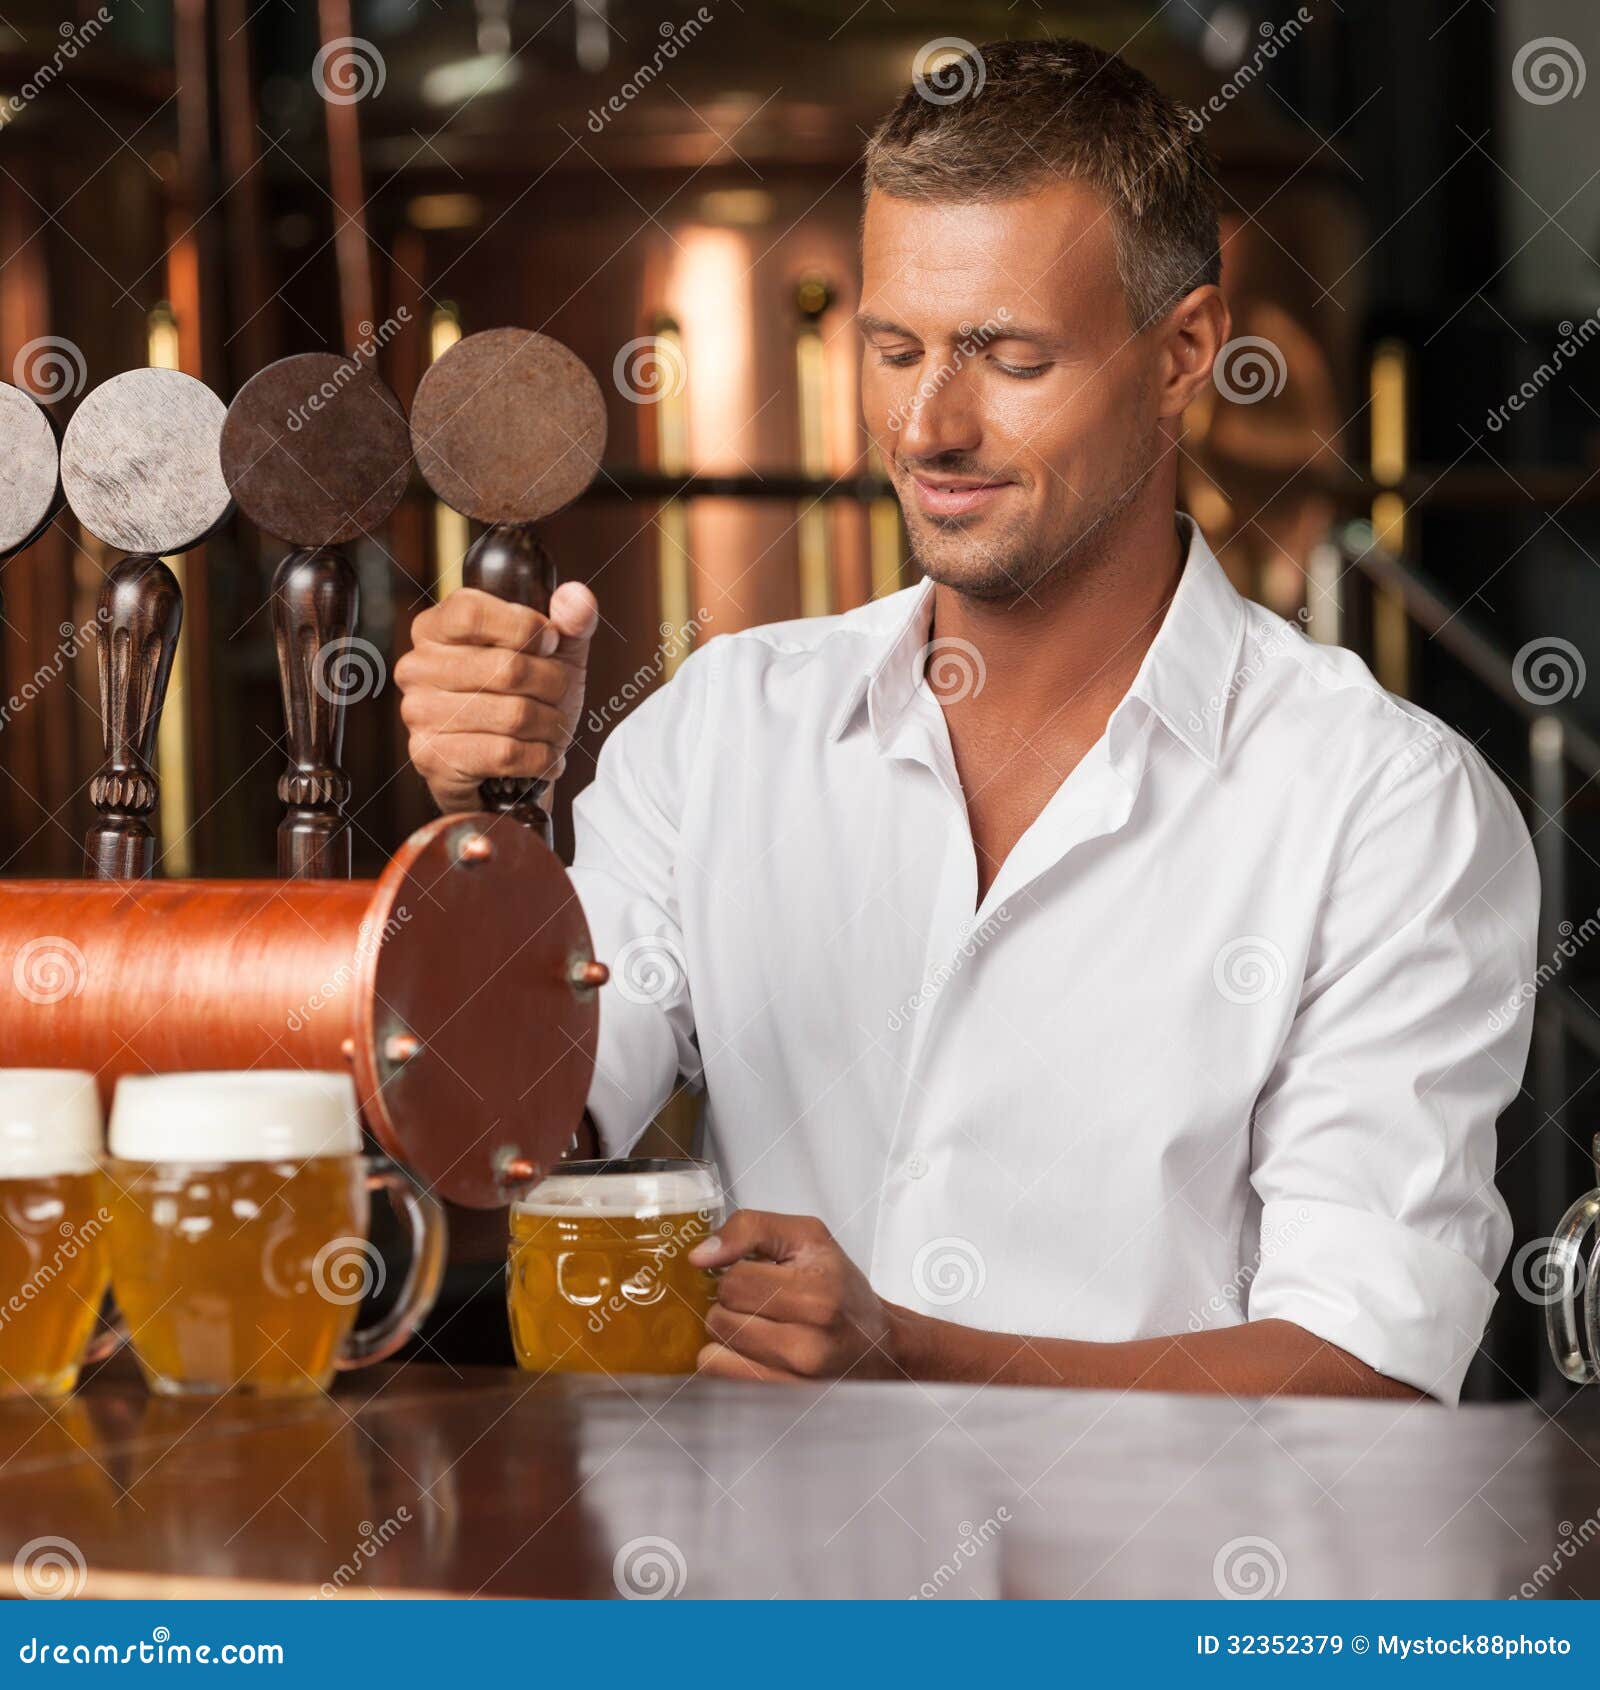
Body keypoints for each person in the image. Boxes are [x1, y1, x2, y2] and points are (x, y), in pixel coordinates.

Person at [395, 38, 1537, 1403]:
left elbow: (1367, 1369)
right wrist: (484, 825)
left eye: (1006, 355)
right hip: (772, 1605)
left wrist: (913, 1354)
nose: (929, 426)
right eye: (895, 349)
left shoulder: (1386, 807)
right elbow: (509, 1139)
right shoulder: (723, 731)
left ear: (1184, 353)